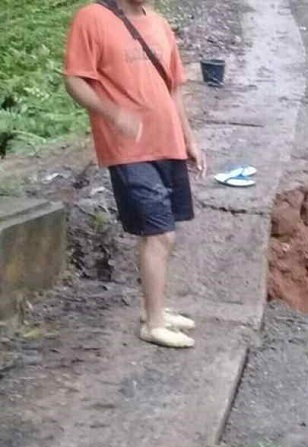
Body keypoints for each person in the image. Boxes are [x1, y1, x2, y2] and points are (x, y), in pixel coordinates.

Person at [64, 0, 207, 348]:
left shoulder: (158, 23)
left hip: (167, 141)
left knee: (160, 234)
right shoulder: (93, 17)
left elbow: (173, 87)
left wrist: (190, 139)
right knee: (159, 234)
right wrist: (112, 113)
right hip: (128, 149)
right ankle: (153, 324)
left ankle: (153, 309)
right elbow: (75, 80)